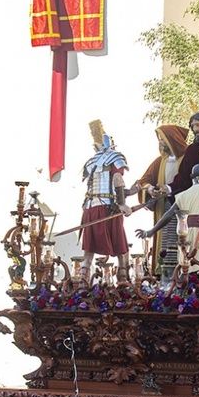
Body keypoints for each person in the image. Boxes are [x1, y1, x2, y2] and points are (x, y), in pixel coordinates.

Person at [136, 163, 199, 272]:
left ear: (191, 176)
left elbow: (168, 215)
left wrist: (151, 231)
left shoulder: (183, 195)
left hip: (188, 236)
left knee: (190, 271)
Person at [80, 120, 133, 282]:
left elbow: (104, 188)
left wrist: (133, 191)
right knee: (121, 248)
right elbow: (117, 179)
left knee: (88, 251)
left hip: (89, 209)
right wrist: (123, 204)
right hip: (108, 208)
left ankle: (82, 282)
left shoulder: (90, 163)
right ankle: (123, 281)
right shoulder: (115, 158)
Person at [135, 124, 190, 280]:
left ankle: (182, 273)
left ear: (172, 139)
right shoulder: (160, 161)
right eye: (159, 139)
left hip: (182, 207)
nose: (160, 142)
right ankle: (165, 276)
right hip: (163, 206)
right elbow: (144, 180)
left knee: (181, 240)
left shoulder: (186, 160)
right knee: (165, 242)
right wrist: (150, 188)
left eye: (163, 138)